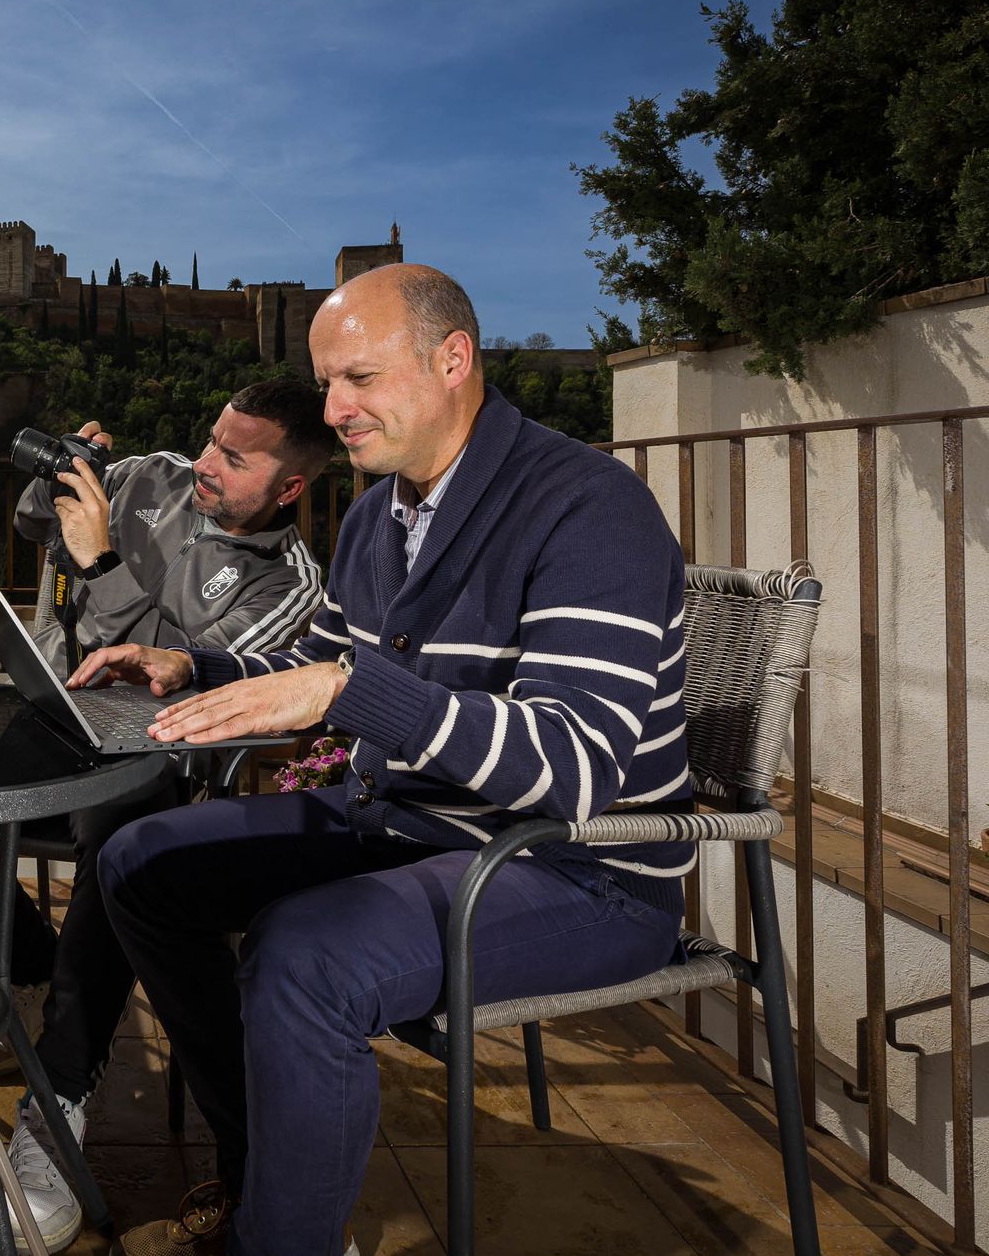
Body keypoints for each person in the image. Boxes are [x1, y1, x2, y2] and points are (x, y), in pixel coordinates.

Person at [81, 264, 694, 1256]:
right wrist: (194, 666)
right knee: (140, 863)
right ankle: (263, 1174)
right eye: (327, 383)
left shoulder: (590, 508)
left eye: (359, 379)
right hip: (407, 823)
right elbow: (322, 663)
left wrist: (343, 693)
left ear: (453, 360)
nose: (334, 411)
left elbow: (575, 769)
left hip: (576, 869)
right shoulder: (379, 514)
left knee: (305, 954)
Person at [0, 379, 329, 1252]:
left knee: (125, 844)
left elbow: (176, 678)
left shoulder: (286, 585)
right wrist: (61, 479)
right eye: (211, 439)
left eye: (234, 458)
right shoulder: (149, 475)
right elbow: (31, 523)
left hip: (154, 755)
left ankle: (58, 1098)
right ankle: (40, 976)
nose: (204, 463)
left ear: (289, 486)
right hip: (48, 714)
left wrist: (100, 566)